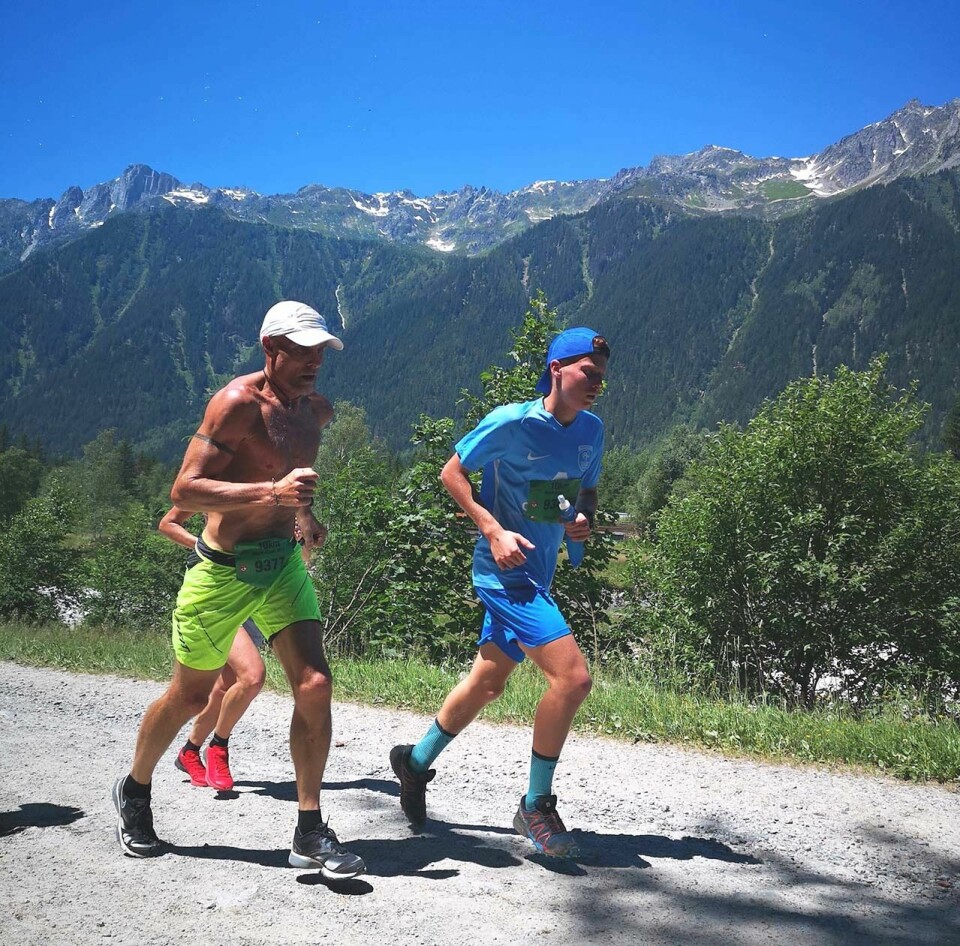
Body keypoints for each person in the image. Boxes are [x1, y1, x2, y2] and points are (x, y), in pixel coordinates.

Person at [113, 300, 365, 880]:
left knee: (315, 683)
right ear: (269, 348)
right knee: (190, 697)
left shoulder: (316, 412)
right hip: (223, 570)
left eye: (319, 353)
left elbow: (294, 484)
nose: (311, 364)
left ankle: (309, 829)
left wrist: (305, 515)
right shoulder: (236, 405)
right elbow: (187, 488)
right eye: (299, 352)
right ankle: (134, 789)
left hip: (282, 567)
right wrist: (272, 494)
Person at [390, 327, 609, 858]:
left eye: (603, 376)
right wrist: (491, 527)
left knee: (487, 682)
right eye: (588, 372)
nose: (597, 384)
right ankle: (536, 805)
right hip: (503, 575)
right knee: (573, 679)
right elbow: (452, 472)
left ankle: (414, 764)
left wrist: (580, 522)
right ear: (556, 367)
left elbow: (579, 493)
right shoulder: (511, 422)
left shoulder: (591, 430)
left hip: (540, 573)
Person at [157, 505, 269, 792]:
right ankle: (219, 747)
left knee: (224, 687)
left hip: (253, 589)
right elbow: (168, 523)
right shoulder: (217, 479)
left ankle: (190, 751)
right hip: (216, 595)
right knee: (252, 675)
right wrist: (203, 545)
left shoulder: (275, 484)